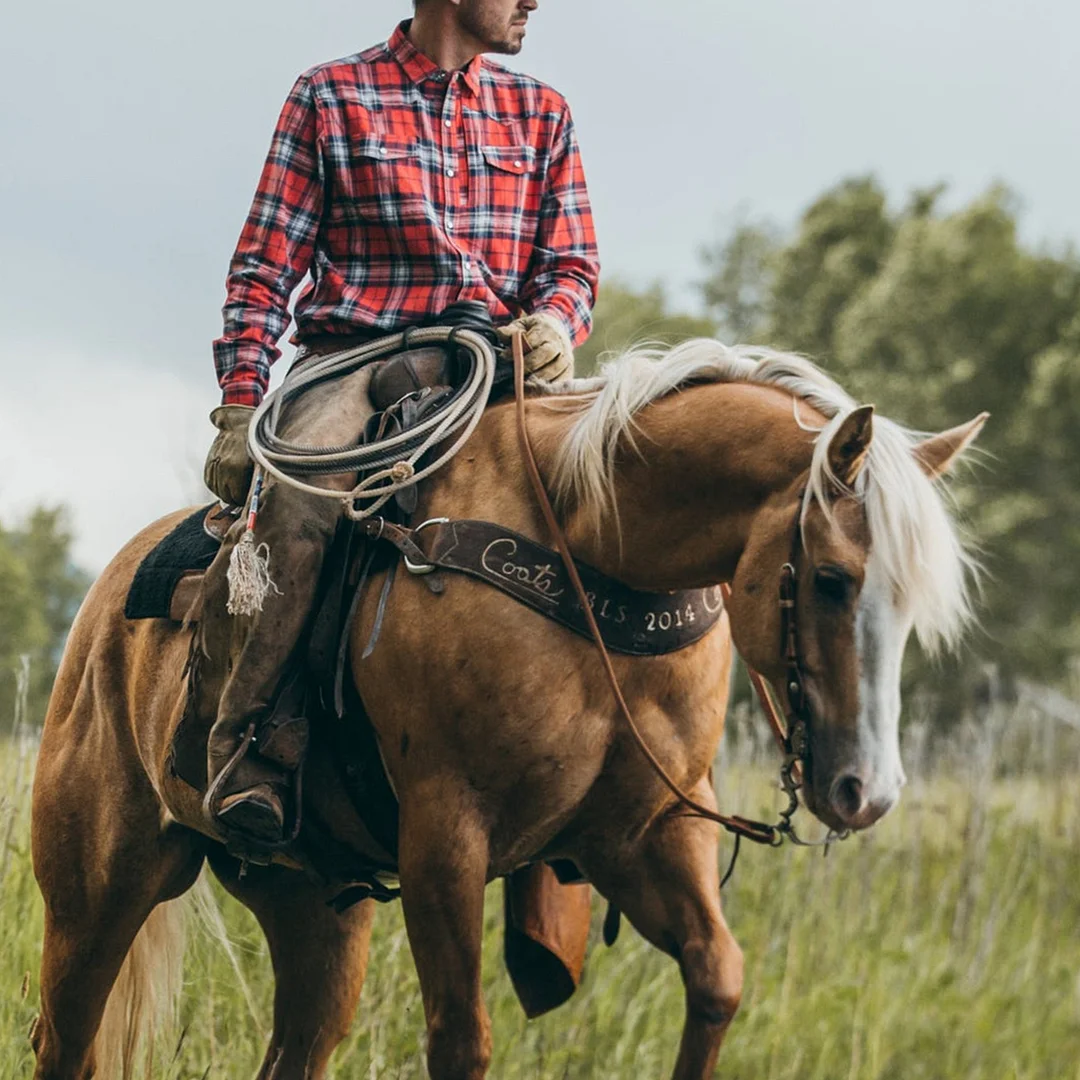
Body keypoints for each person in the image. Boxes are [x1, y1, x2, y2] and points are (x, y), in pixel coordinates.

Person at [198, 0, 600, 845]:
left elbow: (571, 265)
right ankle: (253, 748)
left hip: (497, 364)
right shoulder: (329, 96)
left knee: (608, 479)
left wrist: (558, 323)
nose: (535, 1)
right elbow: (264, 268)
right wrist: (240, 404)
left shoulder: (543, 111)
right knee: (304, 502)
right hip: (358, 359)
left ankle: (604, 767)